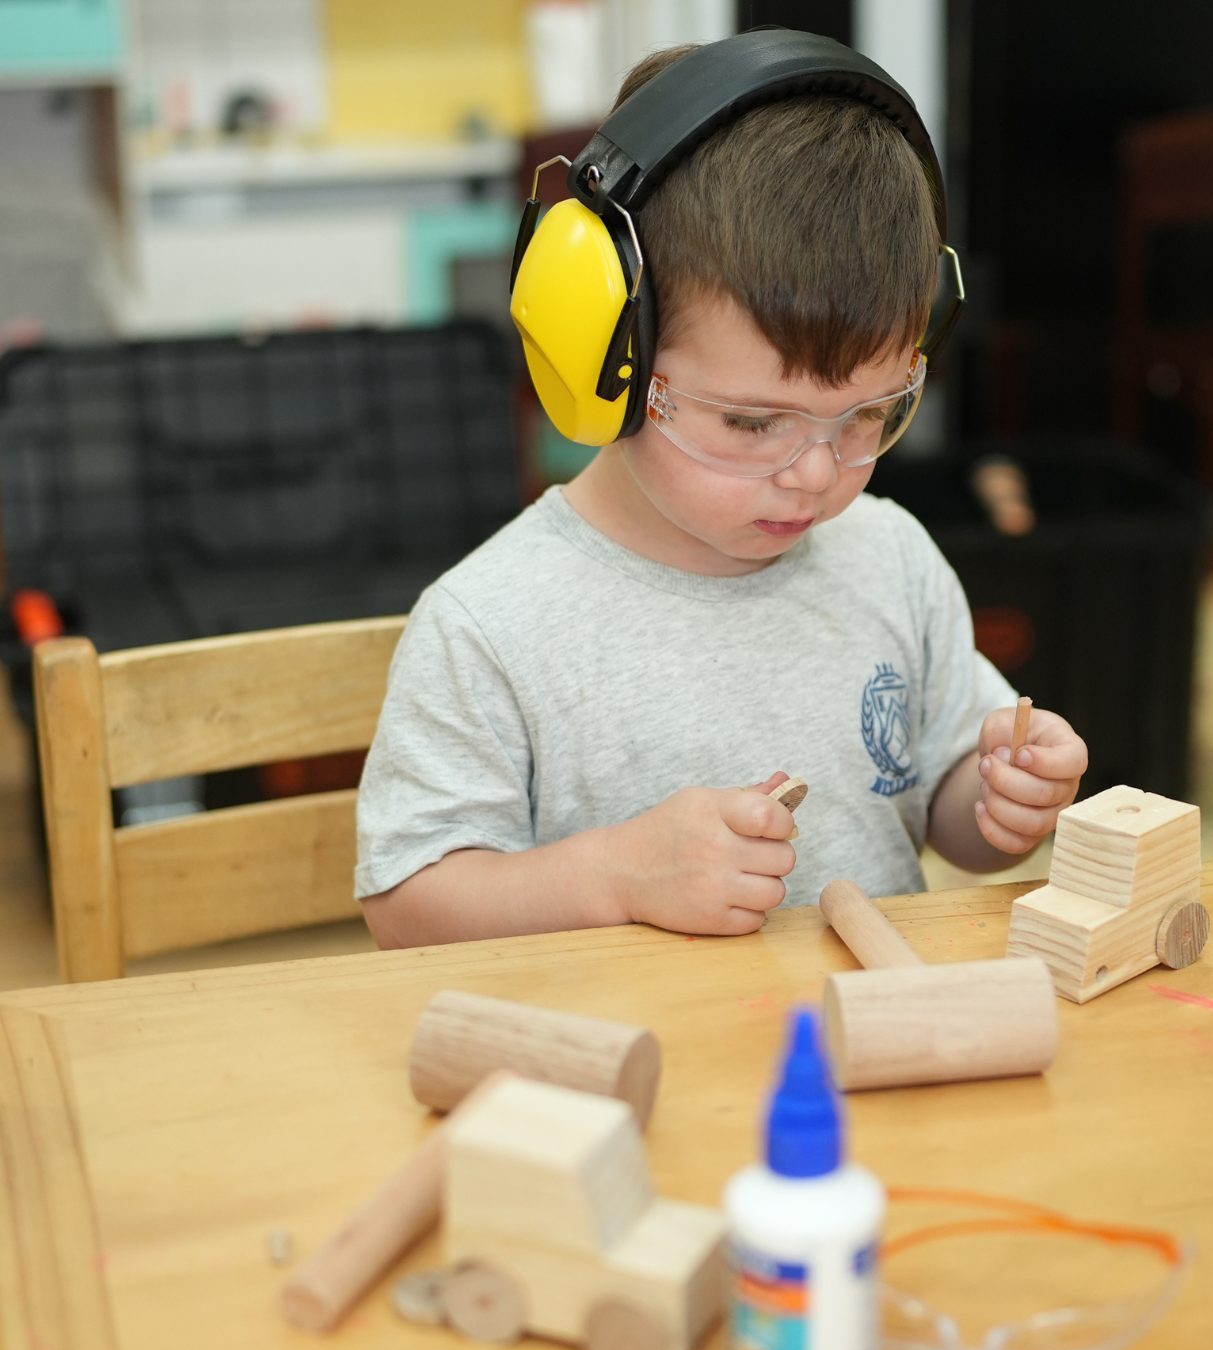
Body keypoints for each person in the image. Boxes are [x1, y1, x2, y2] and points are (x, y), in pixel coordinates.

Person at [356, 37, 1088, 949]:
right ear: (608, 358)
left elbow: (945, 810)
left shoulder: (892, 557)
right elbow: (406, 906)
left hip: (870, 1057)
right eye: (751, 424)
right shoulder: (490, 625)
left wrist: (999, 801)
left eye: (868, 415)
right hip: (630, 1071)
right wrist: (617, 874)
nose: (816, 473)